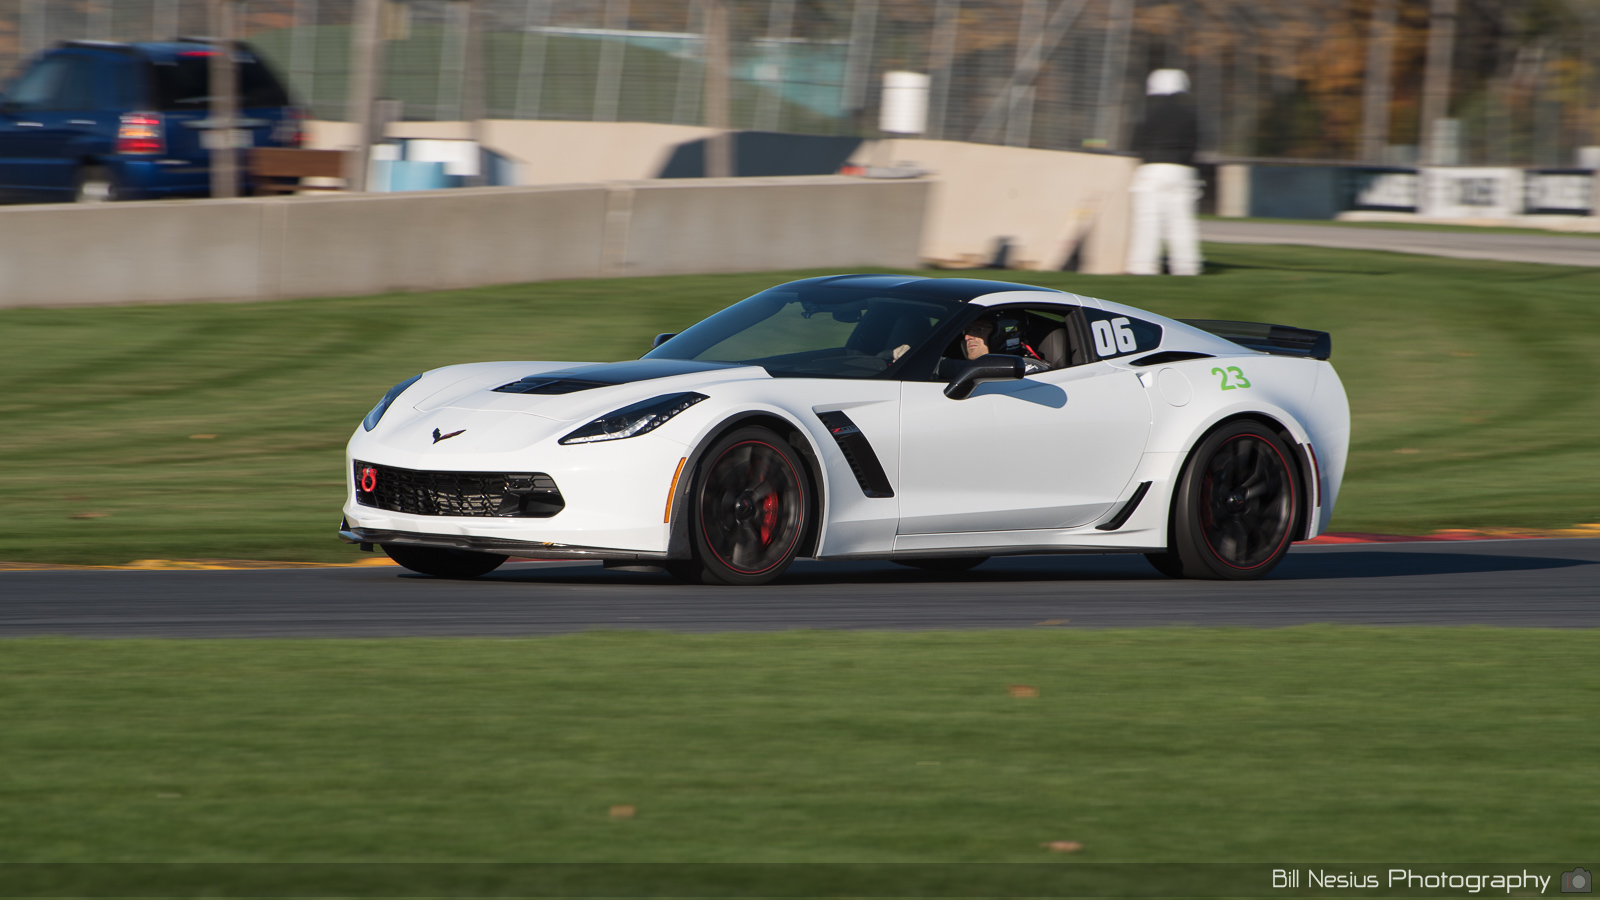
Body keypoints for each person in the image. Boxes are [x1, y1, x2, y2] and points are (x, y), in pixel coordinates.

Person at [1125, 68, 1202, 276]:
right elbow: (1195, 144)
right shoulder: (1191, 114)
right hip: (1183, 172)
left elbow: (1134, 143)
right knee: (1182, 222)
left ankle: (1143, 266)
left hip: (1152, 170)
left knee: (1148, 221)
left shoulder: (1146, 112)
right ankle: (1187, 267)